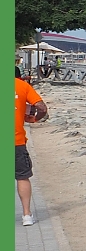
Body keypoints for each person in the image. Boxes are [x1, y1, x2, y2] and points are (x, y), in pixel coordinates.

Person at [15, 67, 47, 227]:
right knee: (22, 177)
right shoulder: (22, 86)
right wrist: (34, 119)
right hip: (15, 141)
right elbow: (42, 108)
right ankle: (27, 215)